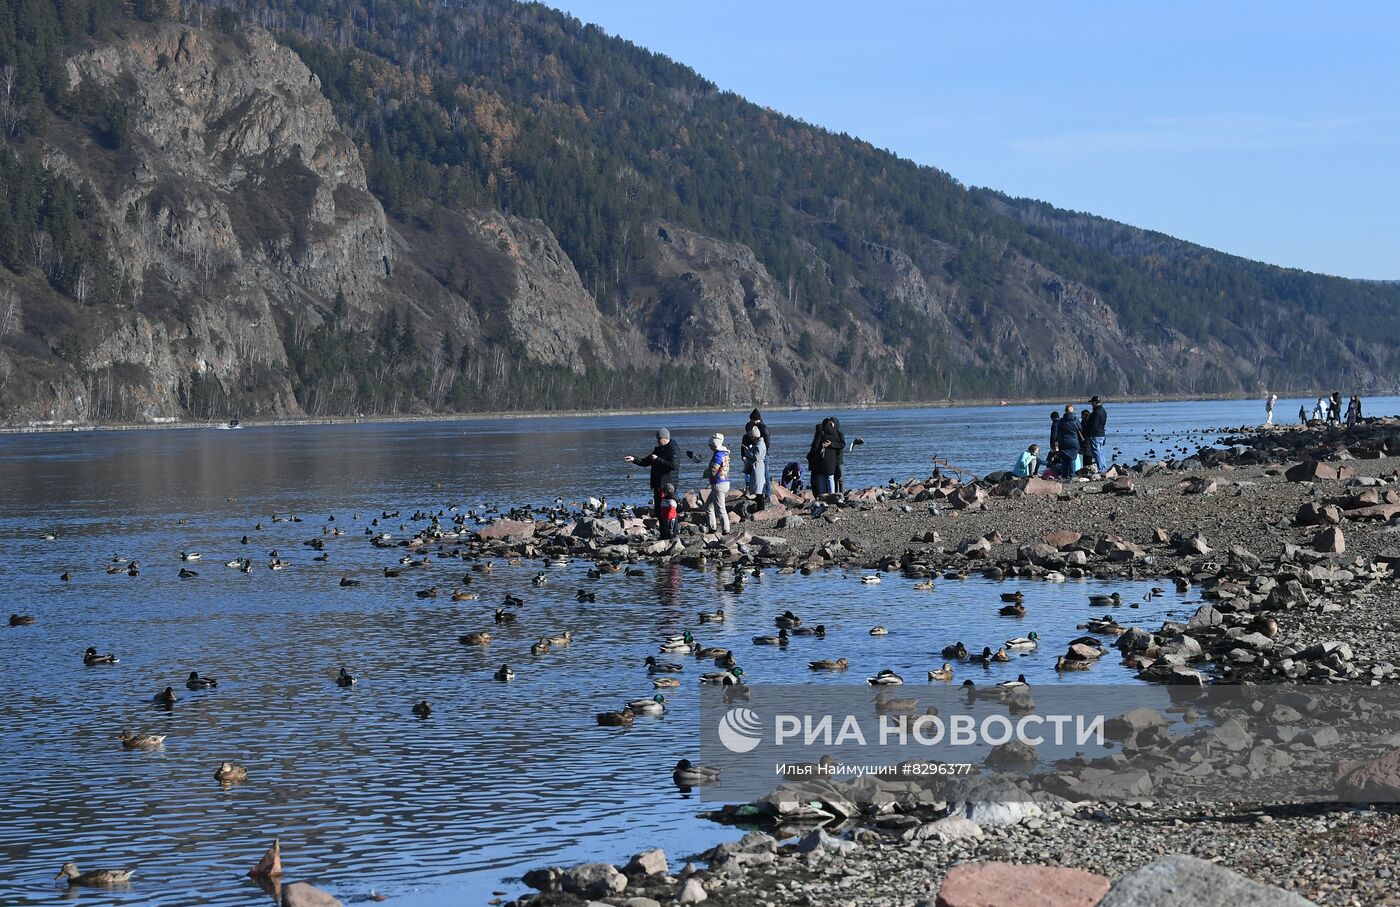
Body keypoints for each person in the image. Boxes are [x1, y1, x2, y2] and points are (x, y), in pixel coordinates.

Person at [625, 428, 679, 520]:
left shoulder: (673, 449)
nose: (657, 441)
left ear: (665, 438)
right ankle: (663, 531)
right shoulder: (658, 450)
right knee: (659, 510)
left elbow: (673, 465)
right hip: (658, 485)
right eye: (657, 439)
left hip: (668, 486)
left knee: (669, 510)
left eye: (659, 439)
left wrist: (657, 459)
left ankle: (671, 532)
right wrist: (634, 459)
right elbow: (645, 462)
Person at [702, 433, 731, 533]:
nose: (709, 447)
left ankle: (726, 529)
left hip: (719, 484)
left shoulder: (718, 456)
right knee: (708, 507)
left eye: (710, 445)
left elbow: (713, 471)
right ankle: (712, 527)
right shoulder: (725, 453)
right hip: (724, 482)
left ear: (714, 445)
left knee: (720, 508)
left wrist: (705, 474)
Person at [744, 409, 773, 498]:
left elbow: (767, 443)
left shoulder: (763, 428)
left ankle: (767, 494)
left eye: (752, 419)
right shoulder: (754, 426)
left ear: (755, 419)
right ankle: (756, 492)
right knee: (754, 474)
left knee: (765, 475)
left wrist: (762, 452)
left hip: (761, 454)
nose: (750, 421)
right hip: (756, 453)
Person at [740, 426, 767, 500]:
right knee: (757, 488)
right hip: (756, 467)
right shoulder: (759, 444)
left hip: (758, 467)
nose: (751, 439)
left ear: (755, 437)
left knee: (759, 489)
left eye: (751, 437)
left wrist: (747, 451)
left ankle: (760, 509)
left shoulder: (760, 445)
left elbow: (756, 457)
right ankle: (759, 508)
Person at [1056, 404, 1083, 475]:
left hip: (1064, 441)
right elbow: (1080, 429)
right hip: (1074, 441)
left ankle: (1064, 474)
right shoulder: (1076, 420)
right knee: (1072, 459)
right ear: (1072, 410)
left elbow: (1058, 431)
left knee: (1064, 459)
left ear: (1065, 411)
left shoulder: (1062, 421)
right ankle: (1072, 474)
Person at [1083, 396, 1108, 472]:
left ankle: (1101, 468)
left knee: (1096, 452)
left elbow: (1094, 425)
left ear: (1094, 402)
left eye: (1092, 402)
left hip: (1095, 435)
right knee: (1100, 452)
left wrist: (1090, 434)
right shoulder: (1103, 411)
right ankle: (1103, 467)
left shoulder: (1096, 412)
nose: (1091, 404)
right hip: (1101, 434)